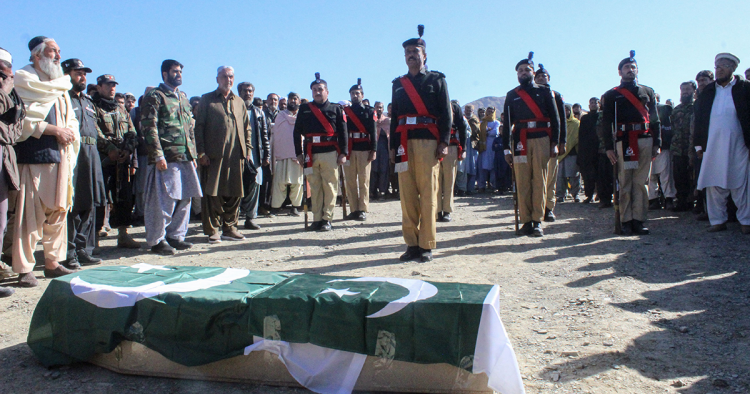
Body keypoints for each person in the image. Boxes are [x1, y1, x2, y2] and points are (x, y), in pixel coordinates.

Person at [12, 36, 80, 286]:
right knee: (29, 215)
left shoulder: (61, 85)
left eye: (59, 51)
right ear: (37, 55)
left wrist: (69, 131)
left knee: (59, 211)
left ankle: (52, 262)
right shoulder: (23, 80)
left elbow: (70, 117)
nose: (58, 56)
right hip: (34, 155)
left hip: (62, 155)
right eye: (53, 51)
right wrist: (52, 130)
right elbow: (19, 120)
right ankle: (24, 268)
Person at [391, 25, 451, 261]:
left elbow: (447, 114)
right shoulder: (398, 84)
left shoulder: (437, 79)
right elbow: (395, 116)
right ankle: (411, 244)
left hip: (428, 142)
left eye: (415, 51)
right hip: (404, 143)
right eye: (407, 52)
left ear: (424, 55)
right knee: (406, 195)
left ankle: (426, 244)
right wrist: (394, 146)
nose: (411, 55)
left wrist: (444, 141)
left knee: (428, 193)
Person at [140, 59, 202, 254]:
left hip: (185, 156)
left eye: (180, 72)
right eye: (175, 72)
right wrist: (157, 155)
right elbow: (149, 127)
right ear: (164, 74)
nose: (179, 75)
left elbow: (189, 128)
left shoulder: (183, 97)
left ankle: (176, 236)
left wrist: (193, 153)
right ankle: (157, 240)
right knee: (164, 199)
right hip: (166, 157)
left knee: (185, 198)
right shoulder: (155, 96)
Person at [602, 50, 661, 236]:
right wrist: (609, 148)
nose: (630, 70)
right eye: (626, 67)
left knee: (641, 182)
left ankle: (639, 220)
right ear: (620, 72)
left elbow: (655, 120)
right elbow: (606, 123)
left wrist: (657, 143)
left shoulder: (648, 91)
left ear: (637, 70)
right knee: (625, 182)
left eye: (633, 67)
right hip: (623, 141)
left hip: (644, 139)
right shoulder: (612, 95)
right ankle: (625, 220)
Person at [503, 52, 560, 237]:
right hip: (520, 139)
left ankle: (537, 221)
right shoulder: (512, 95)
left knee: (540, 180)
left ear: (533, 72)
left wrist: (555, 143)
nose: (523, 73)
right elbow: (506, 125)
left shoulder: (545, 91)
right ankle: (525, 221)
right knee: (522, 182)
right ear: (516, 74)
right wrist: (506, 148)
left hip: (542, 138)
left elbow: (556, 119)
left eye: (527, 70)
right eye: (520, 70)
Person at [694, 53, 750, 234]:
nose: (719, 69)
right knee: (714, 182)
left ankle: (746, 221)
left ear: (733, 69)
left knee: (741, 182)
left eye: (724, 65)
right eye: (717, 66)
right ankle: (717, 220)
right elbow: (700, 120)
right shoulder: (708, 92)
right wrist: (698, 145)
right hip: (713, 145)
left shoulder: (744, 88)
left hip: (739, 143)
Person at [194, 66, 250, 244]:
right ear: (217, 79)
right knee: (213, 193)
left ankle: (230, 228)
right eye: (225, 76)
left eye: (231, 76)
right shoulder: (207, 99)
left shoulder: (239, 101)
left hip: (236, 156)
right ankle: (213, 230)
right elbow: (199, 127)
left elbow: (247, 127)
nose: (228, 80)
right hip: (213, 156)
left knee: (235, 192)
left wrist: (247, 150)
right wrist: (201, 152)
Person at [61, 59, 105, 268]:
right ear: (66, 73)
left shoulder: (88, 101)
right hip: (73, 154)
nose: (82, 77)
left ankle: (84, 249)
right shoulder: (62, 98)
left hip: (92, 154)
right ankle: (69, 252)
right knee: (73, 205)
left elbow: (96, 130)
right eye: (77, 73)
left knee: (90, 203)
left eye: (84, 73)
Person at [294, 73, 347, 231]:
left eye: (321, 89)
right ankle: (316, 218)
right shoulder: (304, 109)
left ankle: (327, 219)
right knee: (315, 187)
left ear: (327, 92)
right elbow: (297, 132)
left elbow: (343, 132)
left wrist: (343, 152)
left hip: (330, 152)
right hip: (310, 153)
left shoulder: (336, 108)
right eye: (315, 89)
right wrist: (298, 153)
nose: (318, 92)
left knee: (330, 186)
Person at [92, 74, 140, 249]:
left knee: (124, 199)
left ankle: (123, 234)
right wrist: (109, 148)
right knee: (100, 199)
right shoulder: (93, 107)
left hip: (122, 161)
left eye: (113, 85)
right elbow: (94, 132)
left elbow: (132, 132)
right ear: (99, 87)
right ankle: (95, 237)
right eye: (108, 85)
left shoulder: (121, 109)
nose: (112, 88)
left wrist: (127, 149)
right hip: (102, 160)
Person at [0, 48, 23, 297]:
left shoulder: (12, 91)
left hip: (6, 155)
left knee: (2, 216)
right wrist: (3, 93)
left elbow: (16, 128)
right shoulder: (6, 90)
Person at [534, 64, 567, 220]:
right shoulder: (530, 94)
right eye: (539, 76)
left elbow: (561, 121)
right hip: (532, 138)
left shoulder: (556, 95)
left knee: (550, 175)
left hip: (550, 139)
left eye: (544, 76)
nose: (541, 78)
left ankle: (548, 207)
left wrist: (561, 141)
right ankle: (535, 208)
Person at [342, 79, 376, 221]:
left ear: (362, 95)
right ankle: (353, 209)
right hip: (350, 148)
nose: (355, 96)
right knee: (349, 180)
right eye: (353, 94)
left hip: (364, 148)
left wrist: (373, 149)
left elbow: (373, 131)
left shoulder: (369, 111)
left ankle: (362, 209)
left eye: (358, 93)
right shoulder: (345, 111)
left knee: (363, 180)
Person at [237, 82, 270, 229]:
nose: (248, 94)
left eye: (250, 91)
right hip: (236, 156)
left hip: (256, 156)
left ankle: (250, 218)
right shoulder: (233, 108)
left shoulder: (258, 112)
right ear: (239, 92)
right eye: (245, 91)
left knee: (255, 187)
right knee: (236, 188)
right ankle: (232, 220)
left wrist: (266, 156)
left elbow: (265, 135)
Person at [270, 92, 303, 214]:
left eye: (295, 99)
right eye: (290, 99)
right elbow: (278, 135)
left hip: (297, 154)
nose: (292, 101)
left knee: (297, 183)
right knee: (280, 183)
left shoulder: (302, 117)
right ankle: (276, 207)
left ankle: (295, 206)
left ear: (299, 101)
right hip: (282, 155)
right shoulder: (280, 116)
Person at [669, 81, 697, 212]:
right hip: (678, 149)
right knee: (679, 177)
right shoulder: (676, 109)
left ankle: (694, 202)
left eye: (687, 89)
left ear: (693, 91)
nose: (685, 92)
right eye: (683, 89)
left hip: (692, 148)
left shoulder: (696, 107)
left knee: (693, 176)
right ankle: (681, 201)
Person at [437, 100, 466, 221]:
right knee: (435, 180)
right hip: (433, 146)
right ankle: (437, 210)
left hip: (451, 146)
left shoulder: (455, 107)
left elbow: (462, 127)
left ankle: (447, 210)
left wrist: (463, 149)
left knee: (449, 180)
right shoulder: (432, 104)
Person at [692, 70, 715, 220]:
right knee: (705, 180)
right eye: (699, 81)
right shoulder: (699, 102)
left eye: (704, 80)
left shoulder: (718, 96)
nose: (701, 84)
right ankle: (710, 212)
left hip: (719, 142)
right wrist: (698, 147)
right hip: (704, 145)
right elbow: (697, 126)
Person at [648, 94, 676, 210]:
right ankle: (653, 199)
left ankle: (669, 198)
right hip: (646, 148)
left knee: (665, 174)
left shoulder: (665, 109)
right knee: (650, 176)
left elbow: (668, 128)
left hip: (663, 147)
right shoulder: (643, 111)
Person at [577, 98, 600, 203]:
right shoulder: (585, 118)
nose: (593, 105)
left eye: (595, 103)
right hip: (588, 150)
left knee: (601, 174)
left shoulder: (602, 116)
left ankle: (600, 195)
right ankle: (589, 195)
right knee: (588, 175)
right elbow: (581, 136)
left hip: (600, 149)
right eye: (591, 103)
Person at [456, 104, 478, 196]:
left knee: (461, 169)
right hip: (449, 145)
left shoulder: (463, 120)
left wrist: (460, 132)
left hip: (462, 146)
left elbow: (469, 132)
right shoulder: (447, 117)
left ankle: (462, 189)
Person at [370, 101, 391, 199]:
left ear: (383, 109)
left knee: (383, 170)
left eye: (381, 107)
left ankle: (382, 191)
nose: (379, 109)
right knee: (373, 170)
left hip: (384, 149)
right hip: (373, 149)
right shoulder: (370, 119)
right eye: (377, 107)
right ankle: (372, 191)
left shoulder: (387, 121)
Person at [477, 106, 499, 193]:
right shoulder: (482, 122)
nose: (490, 113)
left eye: (492, 111)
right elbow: (479, 132)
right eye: (488, 111)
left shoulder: (496, 122)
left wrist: (487, 132)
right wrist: (487, 131)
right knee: (482, 167)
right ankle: (481, 186)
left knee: (493, 167)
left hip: (493, 148)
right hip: (483, 148)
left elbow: (495, 132)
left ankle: (493, 186)